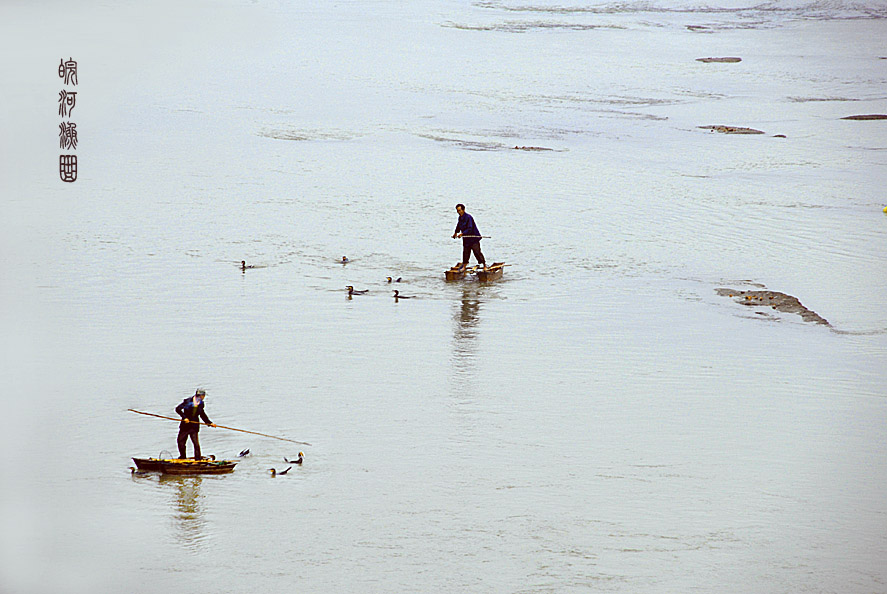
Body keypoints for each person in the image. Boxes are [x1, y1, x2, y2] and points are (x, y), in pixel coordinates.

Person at [175, 388, 215, 459]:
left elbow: (202, 414)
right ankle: (183, 457)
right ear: (199, 395)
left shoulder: (201, 404)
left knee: (196, 444)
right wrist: (184, 418)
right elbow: (178, 409)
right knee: (181, 442)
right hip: (185, 426)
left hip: (194, 426)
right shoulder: (188, 401)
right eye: (203, 396)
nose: (204, 397)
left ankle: (198, 458)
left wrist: (209, 423)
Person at [452, 204, 486, 270]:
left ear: (463, 210)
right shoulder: (460, 218)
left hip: (473, 238)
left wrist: (462, 233)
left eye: (459, 210)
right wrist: (456, 233)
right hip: (466, 239)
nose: (458, 212)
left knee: (477, 252)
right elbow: (458, 225)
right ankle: (464, 266)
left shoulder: (468, 217)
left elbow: (470, 228)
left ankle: (484, 265)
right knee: (466, 252)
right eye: (457, 211)